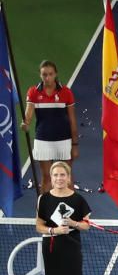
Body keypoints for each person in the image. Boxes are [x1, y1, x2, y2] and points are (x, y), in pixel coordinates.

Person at [34, 162, 91, 275]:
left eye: (62, 175)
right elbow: (39, 226)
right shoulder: (43, 199)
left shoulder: (78, 200)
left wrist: (73, 223)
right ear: (51, 178)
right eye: (55, 175)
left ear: (68, 177)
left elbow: (86, 226)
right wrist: (54, 231)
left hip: (71, 248)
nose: (59, 178)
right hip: (51, 248)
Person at [21, 61, 78, 195]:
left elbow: (72, 120)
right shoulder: (33, 92)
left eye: (50, 74)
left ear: (55, 74)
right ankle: (44, 211)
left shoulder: (66, 92)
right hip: (43, 140)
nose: (47, 78)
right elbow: (28, 114)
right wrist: (25, 123)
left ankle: (72, 211)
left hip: (64, 139)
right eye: (44, 74)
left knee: (66, 177)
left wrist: (75, 144)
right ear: (40, 75)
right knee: (47, 177)